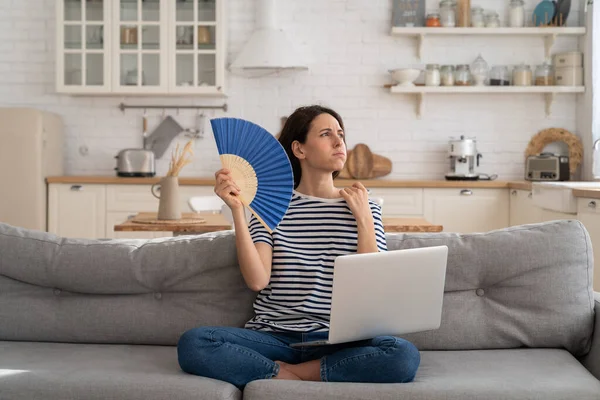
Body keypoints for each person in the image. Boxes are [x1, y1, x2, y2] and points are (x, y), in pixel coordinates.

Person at [177, 105, 420, 389]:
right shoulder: (271, 207)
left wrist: (364, 218)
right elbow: (257, 280)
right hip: (276, 337)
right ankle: (304, 373)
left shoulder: (365, 208)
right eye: (326, 134)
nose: (339, 141)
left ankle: (289, 375)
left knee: (402, 355)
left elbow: (373, 285)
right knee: (195, 343)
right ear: (300, 149)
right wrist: (237, 211)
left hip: (338, 340)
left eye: (341, 134)